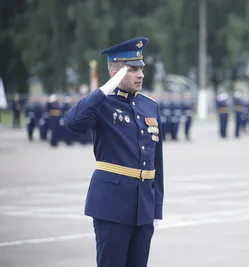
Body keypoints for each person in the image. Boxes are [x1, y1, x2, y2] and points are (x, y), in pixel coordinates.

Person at [64, 37, 164, 267]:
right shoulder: (102, 103)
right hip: (112, 206)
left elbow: (157, 161)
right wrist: (103, 90)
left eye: (141, 69)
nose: (141, 75)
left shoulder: (150, 106)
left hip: (144, 206)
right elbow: (72, 122)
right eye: (133, 69)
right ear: (115, 72)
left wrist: (157, 206)